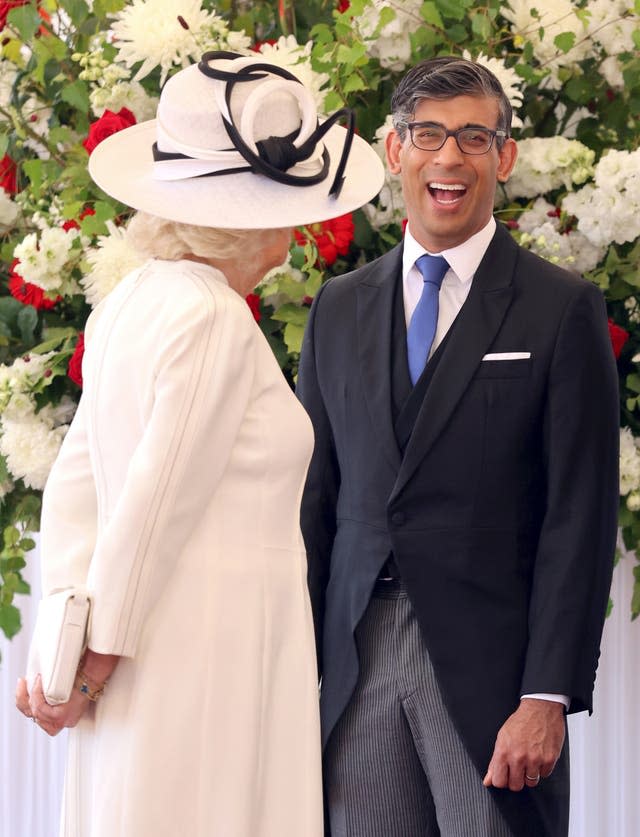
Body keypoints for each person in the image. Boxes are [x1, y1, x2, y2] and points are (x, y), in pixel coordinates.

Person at [15, 52, 384, 837]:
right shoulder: (213, 318)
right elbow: (156, 497)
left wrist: (66, 640)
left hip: (157, 655)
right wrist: (92, 658)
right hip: (206, 658)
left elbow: (76, 488)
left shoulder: (127, 302)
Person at [297, 56, 619, 837]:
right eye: (428, 135)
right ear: (394, 148)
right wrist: (292, 670)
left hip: (493, 675)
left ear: (504, 157)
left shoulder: (560, 308)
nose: (449, 158)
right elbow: (312, 503)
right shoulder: (338, 307)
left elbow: (579, 516)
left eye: (473, 137)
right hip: (354, 661)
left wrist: (546, 695)